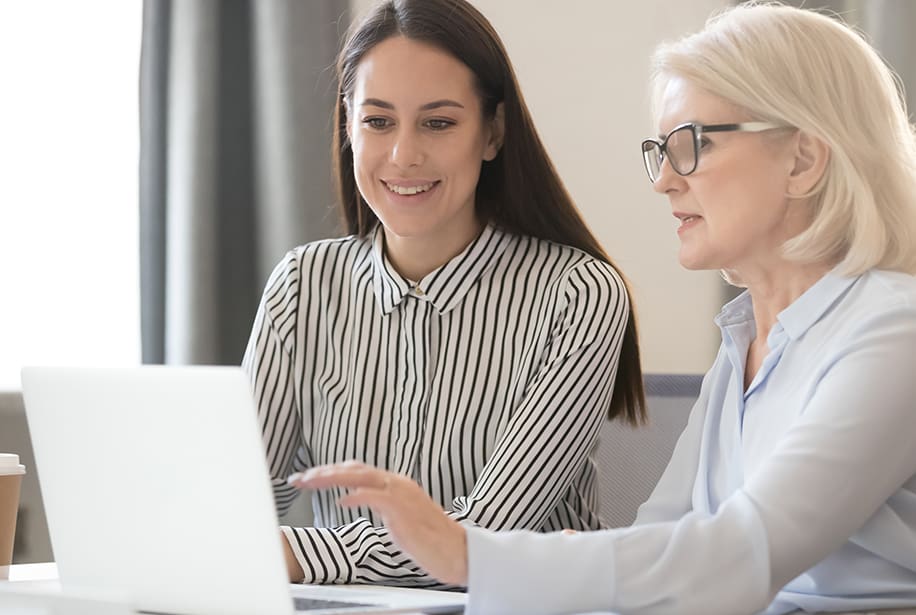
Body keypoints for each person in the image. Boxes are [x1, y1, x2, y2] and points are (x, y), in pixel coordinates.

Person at [291, 2, 916, 613]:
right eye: (662, 149)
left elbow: (739, 556)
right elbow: (658, 543)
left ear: (803, 161)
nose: (664, 180)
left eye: (692, 143)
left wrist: (469, 553)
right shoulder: (747, 342)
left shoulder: (895, 331)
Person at [242, 0, 645, 588]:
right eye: (378, 121)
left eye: (438, 122)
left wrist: (299, 554)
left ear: (493, 133)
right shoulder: (302, 286)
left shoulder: (577, 295)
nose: (404, 155)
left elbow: (481, 542)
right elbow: (236, 505)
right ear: (347, 126)